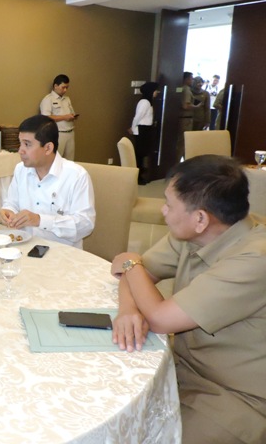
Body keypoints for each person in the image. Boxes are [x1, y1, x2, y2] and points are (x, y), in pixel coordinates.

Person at [110, 155, 266, 444]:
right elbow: (133, 275)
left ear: (200, 218)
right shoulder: (195, 234)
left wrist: (132, 264)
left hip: (235, 396)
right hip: (177, 366)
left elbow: (158, 317)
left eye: (169, 204)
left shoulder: (255, 258)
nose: (163, 210)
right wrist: (128, 309)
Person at [0, 115, 95, 248]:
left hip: (62, 254)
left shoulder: (76, 176)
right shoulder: (21, 169)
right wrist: (8, 211)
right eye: (20, 143)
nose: (20, 150)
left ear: (48, 148)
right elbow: (12, 203)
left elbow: (85, 224)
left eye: (27, 144)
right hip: (25, 248)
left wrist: (40, 220)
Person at [39, 74, 79, 160]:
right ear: (55, 86)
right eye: (63, 87)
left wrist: (72, 116)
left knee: (70, 161)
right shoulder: (48, 99)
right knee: (56, 160)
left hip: (70, 132)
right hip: (58, 133)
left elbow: (71, 112)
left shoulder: (67, 99)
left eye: (67, 87)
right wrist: (65, 117)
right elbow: (46, 118)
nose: (65, 90)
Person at [128, 81, 159, 185]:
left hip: (145, 129)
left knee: (142, 153)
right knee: (139, 154)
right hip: (141, 129)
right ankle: (138, 177)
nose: (157, 92)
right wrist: (132, 128)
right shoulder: (144, 102)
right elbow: (137, 117)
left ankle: (141, 174)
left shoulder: (148, 101)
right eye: (155, 90)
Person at [177, 72, 201, 159]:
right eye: (191, 78)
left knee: (181, 142)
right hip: (186, 119)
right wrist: (196, 106)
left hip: (181, 118)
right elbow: (185, 105)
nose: (192, 80)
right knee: (183, 142)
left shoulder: (180, 88)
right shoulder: (186, 90)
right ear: (186, 79)